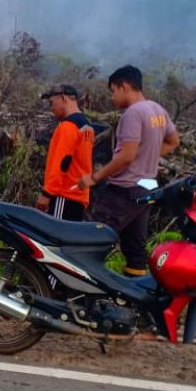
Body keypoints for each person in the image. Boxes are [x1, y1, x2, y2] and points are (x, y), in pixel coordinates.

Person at [77, 65, 179, 277]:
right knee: (135, 249)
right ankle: (136, 298)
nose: (113, 98)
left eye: (113, 91)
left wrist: (94, 177)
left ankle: (79, 295)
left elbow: (126, 156)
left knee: (89, 242)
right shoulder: (158, 110)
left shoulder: (133, 114)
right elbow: (173, 141)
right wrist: (149, 157)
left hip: (125, 191)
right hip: (147, 187)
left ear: (124, 86)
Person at [35, 84, 94, 222]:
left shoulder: (68, 126)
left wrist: (47, 194)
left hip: (64, 195)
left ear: (63, 98)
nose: (51, 108)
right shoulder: (86, 126)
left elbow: (62, 163)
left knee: (54, 240)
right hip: (79, 195)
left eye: (52, 103)